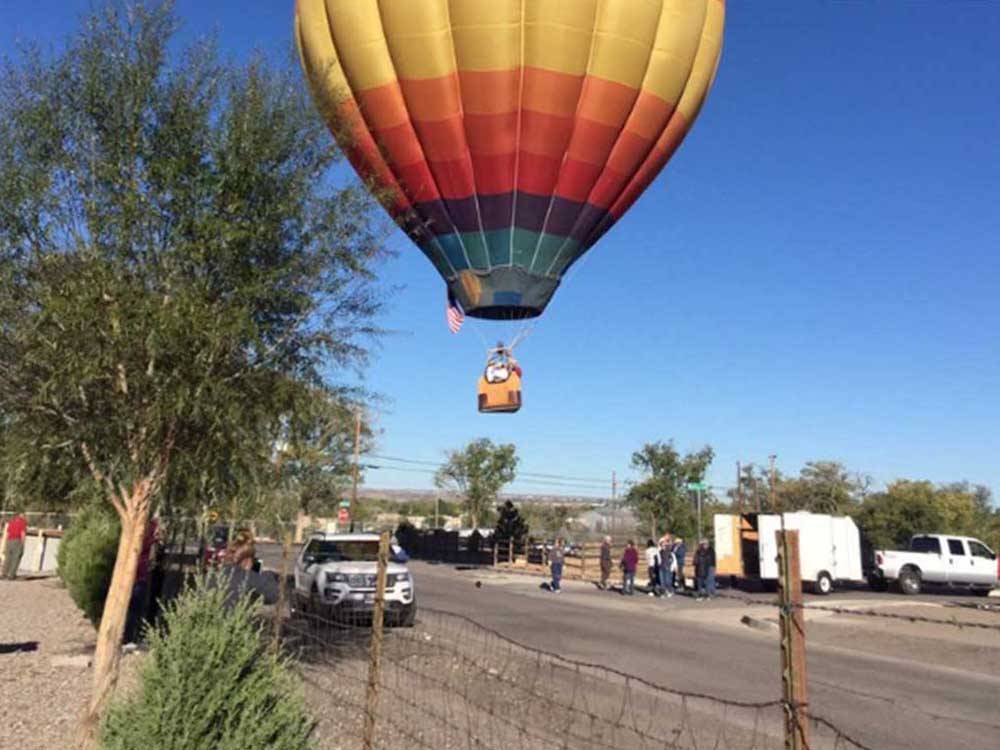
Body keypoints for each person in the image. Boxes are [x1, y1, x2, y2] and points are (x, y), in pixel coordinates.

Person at [1, 511, 28, 580]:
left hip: (9, 541)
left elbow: (7, 533)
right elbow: (23, 533)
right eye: (24, 515)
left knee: (8, 558)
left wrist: (5, 543)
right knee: (16, 558)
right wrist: (23, 544)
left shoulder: (11, 522)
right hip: (17, 540)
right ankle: (11, 575)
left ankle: (4, 574)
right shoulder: (23, 523)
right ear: (21, 516)